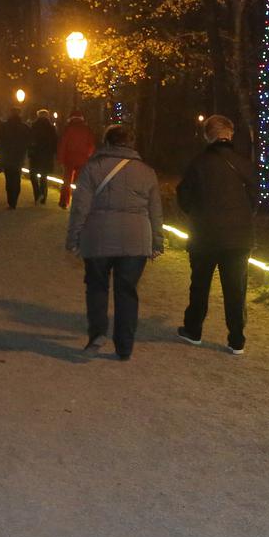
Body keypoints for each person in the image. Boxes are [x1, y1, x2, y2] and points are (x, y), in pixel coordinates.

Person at [65, 125, 164, 361]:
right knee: (127, 291)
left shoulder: (92, 168)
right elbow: (155, 210)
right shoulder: (147, 172)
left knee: (97, 287)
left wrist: (74, 238)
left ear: (107, 143)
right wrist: (157, 242)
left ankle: (98, 333)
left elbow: (80, 207)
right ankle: (124, 346)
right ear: (131, 144)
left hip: (98, 236)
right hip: (136, 239)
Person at [176, 115, 255, 354]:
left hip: (205, 234)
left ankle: (193, 329)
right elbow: (254, 197)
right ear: (230, 134)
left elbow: (184, 196)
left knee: (200, 284)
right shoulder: (244, 163)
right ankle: (236, 338)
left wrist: (196, 214)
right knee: (235, 288)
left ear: (207, 135)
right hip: (238, 237)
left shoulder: (198, 163)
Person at [0, 107, 32, 210]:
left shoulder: (5, 126)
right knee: (16, 179)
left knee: (9, 179)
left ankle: (10, 200)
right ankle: (14, 200)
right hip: (19, 157)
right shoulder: (24, 127)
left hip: (7, 156)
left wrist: (1, 151)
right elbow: (29, 141)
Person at [56, 111, 96, 208]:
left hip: (69, 159)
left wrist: (60, 159)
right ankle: (80, 201)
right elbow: (91, 145)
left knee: (67, 181)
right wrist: (88, 156)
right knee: (81, 182)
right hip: (83, 159)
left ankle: (64, 201)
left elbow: (63, 145)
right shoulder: (87, 129)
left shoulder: (68, 129)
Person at [28, 109, 58, 205]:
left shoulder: (34, 126)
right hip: (47, 155)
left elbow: (30, 139)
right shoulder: (51, 128)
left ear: (38, 116)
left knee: (33, 175)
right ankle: (43, 196)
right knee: (44, 176)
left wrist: (30, 151)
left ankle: (37, 193)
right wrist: (54, 153)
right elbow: (55, 142)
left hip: (35, 154)